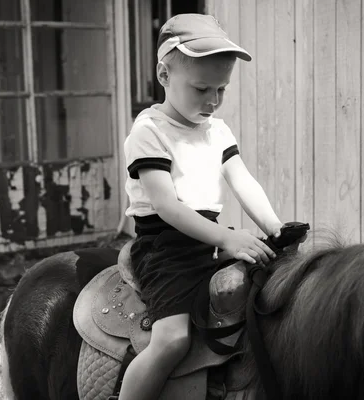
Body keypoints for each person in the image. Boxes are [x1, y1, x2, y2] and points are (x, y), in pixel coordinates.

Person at [118, 13, 283, 400]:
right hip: (165, 249)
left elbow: (243, 181)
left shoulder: (217, 130)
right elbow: (167, 206)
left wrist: (277, 229)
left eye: (221, 89)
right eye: (201, 88)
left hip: (206, 241)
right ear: (164, 75)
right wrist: (227, 237)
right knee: (173, 338)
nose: (212, 100)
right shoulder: (149, 132)